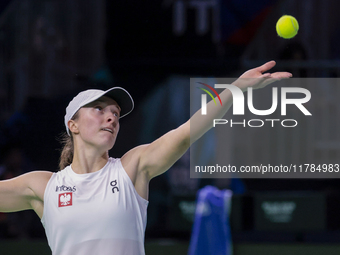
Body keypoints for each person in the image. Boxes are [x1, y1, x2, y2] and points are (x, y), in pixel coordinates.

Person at [0, 61, 291, 255]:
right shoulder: (43, 187)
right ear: (72, 125)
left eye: (115, 113)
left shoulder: (131, 168)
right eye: (99, 109)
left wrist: (235, 89)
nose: (112, 117)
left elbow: (185, 133)